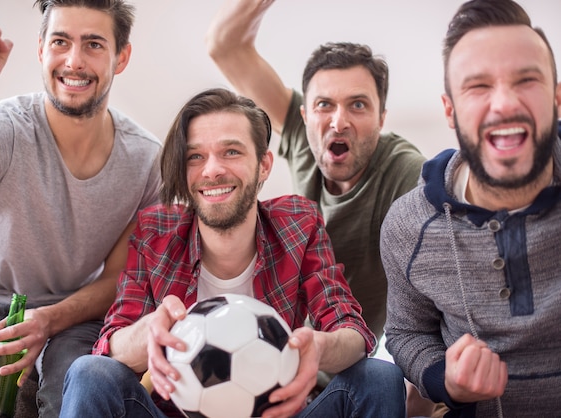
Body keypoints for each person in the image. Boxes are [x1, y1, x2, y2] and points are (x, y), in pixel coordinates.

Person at [59, 87, 406, 418]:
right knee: (91, 372)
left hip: (280, 412)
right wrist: (148, 332)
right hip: (174, 413)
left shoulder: (299, 224)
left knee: (378, 377)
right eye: (196, 156)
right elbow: (109, 343)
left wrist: (319, 347)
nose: (212, 170)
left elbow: (352, 329)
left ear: (264, 165)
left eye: (231, 152)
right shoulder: (156, 232)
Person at [0, 0, 161, 416]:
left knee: (72, 390)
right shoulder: (5, 127)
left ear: (121, 56)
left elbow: (118, 278)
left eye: (93, 44)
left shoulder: (146, 161)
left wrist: (49, 319)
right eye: (61, 41)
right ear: (41, 49)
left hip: (70, 314)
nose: (74, 61)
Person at [206, 1, 432, 415]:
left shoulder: (405, 174)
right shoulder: (299, 134)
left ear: (382, 118)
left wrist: (425, 389)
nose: (338, 121)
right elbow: (225, 44)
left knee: (381, 379)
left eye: (358, 105)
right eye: (325, 105)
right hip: (268, 368)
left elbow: (437, 290)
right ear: (304, 113)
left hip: (342, 375)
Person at [380, 0, 561, 416]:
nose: (504, 104)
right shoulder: (408, 226)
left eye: (526, 80)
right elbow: (407, 332)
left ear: (556, 98)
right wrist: (445, 380)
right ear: (450, 110)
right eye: (478, 86)